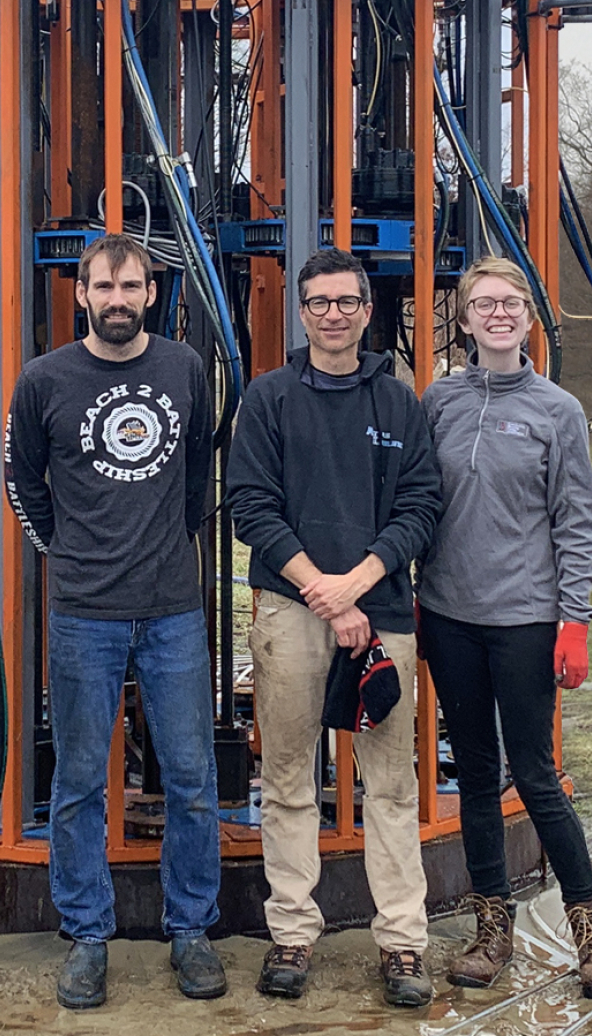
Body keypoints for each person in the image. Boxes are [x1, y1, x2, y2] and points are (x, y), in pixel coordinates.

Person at [3, 233, 225, 1010]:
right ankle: (87, 937)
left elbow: (200, 468)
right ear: (82, 294)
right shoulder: (44, 381)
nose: (118, 299)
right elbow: (20, 478)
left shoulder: (185, 370)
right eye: (105, 286)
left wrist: (173, 544)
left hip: (170, 609)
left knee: (193, 781)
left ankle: (191, 931)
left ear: (152, 293)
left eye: (132, 286)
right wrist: (63, 553)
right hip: (83, 614)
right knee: (75, 783)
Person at [229, 248, 442, 1008]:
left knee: (391, 784)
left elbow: (421, 505)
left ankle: (404, 943)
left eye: (346, 301)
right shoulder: (269, 398)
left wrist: (359, 583)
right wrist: (324, 590)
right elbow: (250, 504)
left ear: (366, 310)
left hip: (380, 609)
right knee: (288, 778)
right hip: (293, 608)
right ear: (302, 312)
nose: (332, 314)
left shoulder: (399, 402)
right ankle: (292, 932)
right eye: (317, 302)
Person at [418, 256, 592, 1000]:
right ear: (466, 318)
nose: (498, 314)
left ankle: (591, 927)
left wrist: (574, 618)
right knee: (475, 773)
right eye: (483, 304)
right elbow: (416, 503)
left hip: (526, 621)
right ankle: (491, 928)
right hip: (448, 616)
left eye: (511, 303)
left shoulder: (556, 411)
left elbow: (578, 521)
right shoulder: (438, 402)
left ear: (530, 319)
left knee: (534, 775)